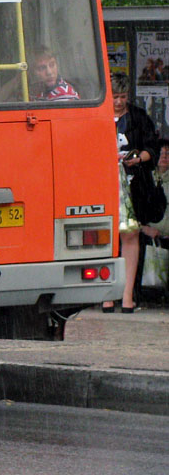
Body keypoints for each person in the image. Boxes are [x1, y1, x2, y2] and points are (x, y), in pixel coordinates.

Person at [107, 72, 159, 311]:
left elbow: (152, 148)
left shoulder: (138, 117)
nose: (119, 102)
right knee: (107, 238)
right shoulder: (99, 116)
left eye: (123, 97)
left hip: (133, 185)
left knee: (130, 235)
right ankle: (107, 295)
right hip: (106, 185)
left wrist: (137, 158)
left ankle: (127, 296)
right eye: (115, 96)